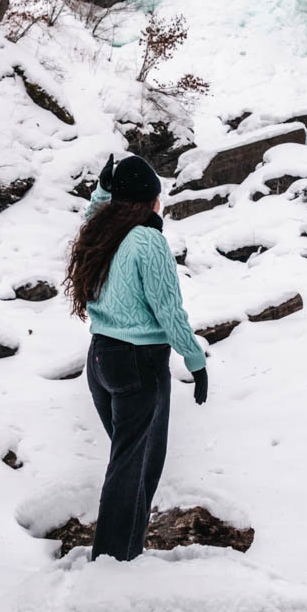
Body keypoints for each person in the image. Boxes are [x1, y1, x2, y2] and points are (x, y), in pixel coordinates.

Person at [64, 152, 208, 561]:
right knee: (135, 469)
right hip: (139, 364)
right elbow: (168, 310)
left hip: (101, 361)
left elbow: (94, 213)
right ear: (150, 200)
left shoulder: (100, 233)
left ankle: (126, 554)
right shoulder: (148, 240)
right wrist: (195, 361)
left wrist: (101, 191)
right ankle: (113, 565)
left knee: (131, 464)